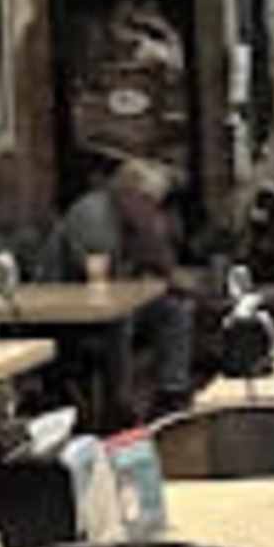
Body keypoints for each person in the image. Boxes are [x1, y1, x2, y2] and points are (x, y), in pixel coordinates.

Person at [47, 156, 194, 418]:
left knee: (175, 309)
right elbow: (100, 276)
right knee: (120, 319)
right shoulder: (93, 215)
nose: (153, 209)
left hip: (112, 304)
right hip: (66, 312)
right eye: (148, 201)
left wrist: (155, 238)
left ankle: (172, 391)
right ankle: (119, 407)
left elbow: (163, 270)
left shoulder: (133, 220)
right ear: (127, 194)